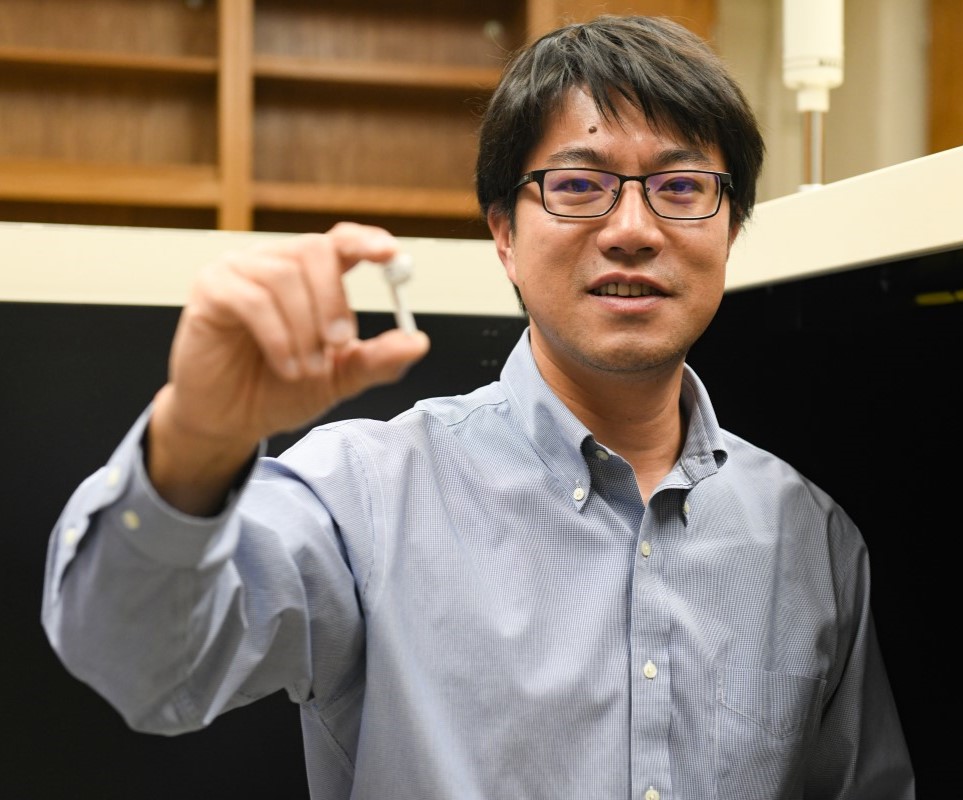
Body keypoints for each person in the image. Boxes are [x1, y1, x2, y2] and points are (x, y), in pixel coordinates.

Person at [42, 14, 915, 800]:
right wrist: (200, 434)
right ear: (503, 231)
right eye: (579, 186)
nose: (634, 229)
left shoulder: (808, 535)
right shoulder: (368, 496)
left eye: (682, 188)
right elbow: (139, 665)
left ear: (729, 228)